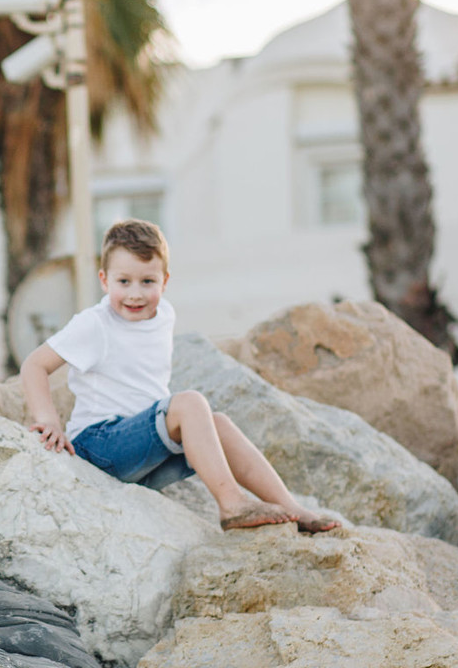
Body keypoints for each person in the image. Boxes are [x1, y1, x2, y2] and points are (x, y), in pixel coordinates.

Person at [20, 219, 338, 533]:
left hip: (143, 459)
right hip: (101, 448)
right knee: (189, 403)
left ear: (165, 281)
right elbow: (34, 365)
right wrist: (49, 421)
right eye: (123, 282)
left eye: (147, 282)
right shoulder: (95, 324)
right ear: (104, 280)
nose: (135, 294)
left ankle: (292, 508)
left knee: (219, 423)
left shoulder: (164, 315)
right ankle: (232, 504)